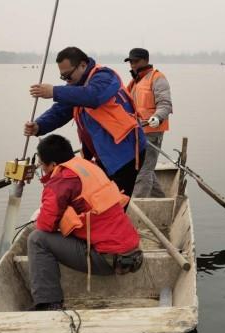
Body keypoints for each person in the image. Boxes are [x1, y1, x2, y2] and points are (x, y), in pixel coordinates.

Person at [27, 134, 143, 311]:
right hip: (132, 252)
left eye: (42, 165)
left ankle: (49, 304)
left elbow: (44, 225)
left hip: (109, 258)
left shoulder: (61, 181)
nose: (42, 169)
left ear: (52, 165)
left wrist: (42, 214)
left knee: (36, 239)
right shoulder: (88, 166)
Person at [25, 46, 147, 198]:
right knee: (99, 198)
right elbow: (61, 110)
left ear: (83, 65)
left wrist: (54, 92)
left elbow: (94, 96)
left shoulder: (105, 77)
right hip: (103, 154)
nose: (67, 81)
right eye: (63, 78)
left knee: (115, 202)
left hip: (125, 153)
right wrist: (39, 126)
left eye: (68, 76)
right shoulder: (76, 87)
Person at [125, 48, 173, 198]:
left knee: (143, 170)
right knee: (147, 168)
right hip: (137, 132)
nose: (133, 65)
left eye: (136, 61)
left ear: (145, 60)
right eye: (131, 61)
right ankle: (161, 199)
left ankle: (138, 206)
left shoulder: (157, 78)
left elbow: (165, 104)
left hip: (152, 133)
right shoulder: (134, 82)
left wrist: (157, 117)